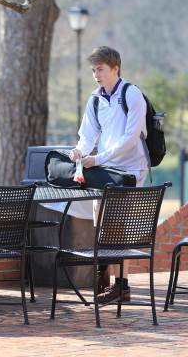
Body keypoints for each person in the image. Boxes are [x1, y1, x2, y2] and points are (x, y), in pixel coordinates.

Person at [69, 46, 148, 303]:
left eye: (100, 69)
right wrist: (79, 151)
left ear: (116, 68)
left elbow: (130, 139)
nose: (96, 75)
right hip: (105, 171)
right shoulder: (95, 99)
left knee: (118, 227)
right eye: (93, 70)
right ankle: (103, 276)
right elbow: (88, 134)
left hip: (129, 171)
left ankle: (121, 285)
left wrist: (99, 158)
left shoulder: (132, 94)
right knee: (100, 221)